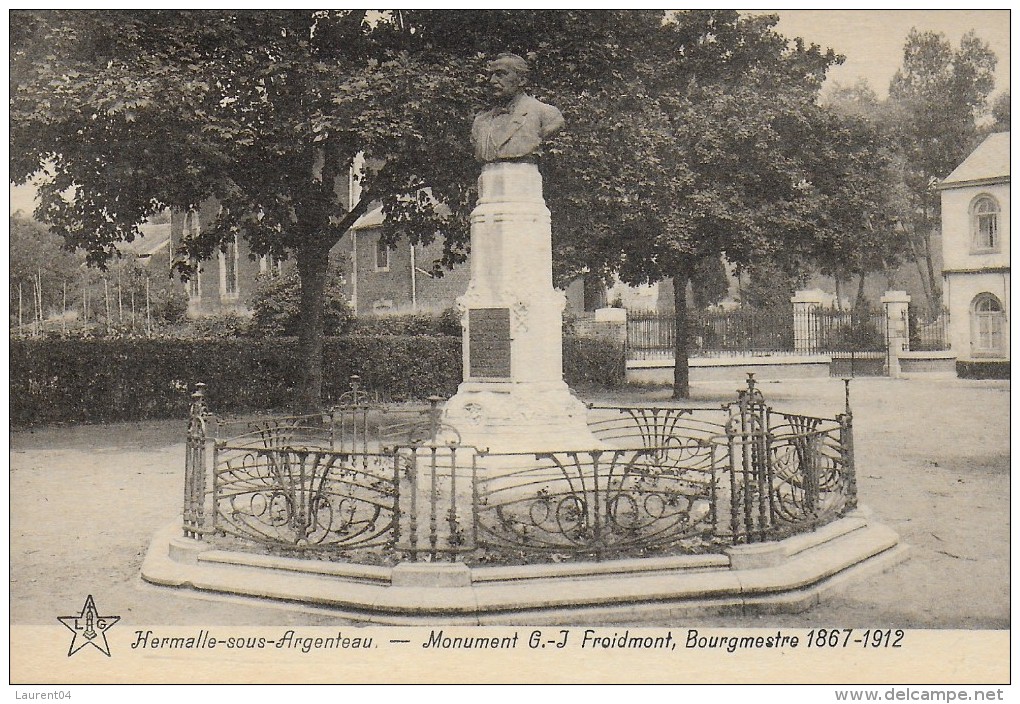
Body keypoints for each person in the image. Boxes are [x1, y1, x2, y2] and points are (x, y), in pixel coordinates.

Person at [471, 53, 564, 163]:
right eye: (491, 75)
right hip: (488, 177)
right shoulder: (481, 120)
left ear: (522, 80)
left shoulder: (546, 113)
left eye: (501, 74)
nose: (492, 81)